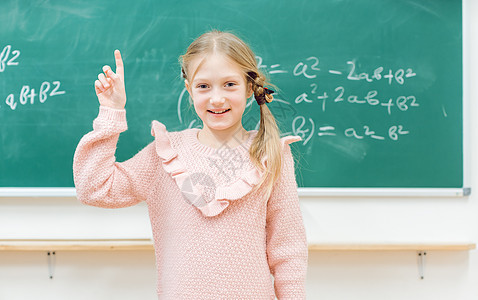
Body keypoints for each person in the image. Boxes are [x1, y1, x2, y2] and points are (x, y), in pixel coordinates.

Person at [73, 30, 308, 299]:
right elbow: (94, 188)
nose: (216, 98)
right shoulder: (164, 155)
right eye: (204, 86)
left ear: (249, 88)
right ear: (189, 89)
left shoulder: (271, 153)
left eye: (229, 84)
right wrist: (111, 113)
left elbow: (288, 249)